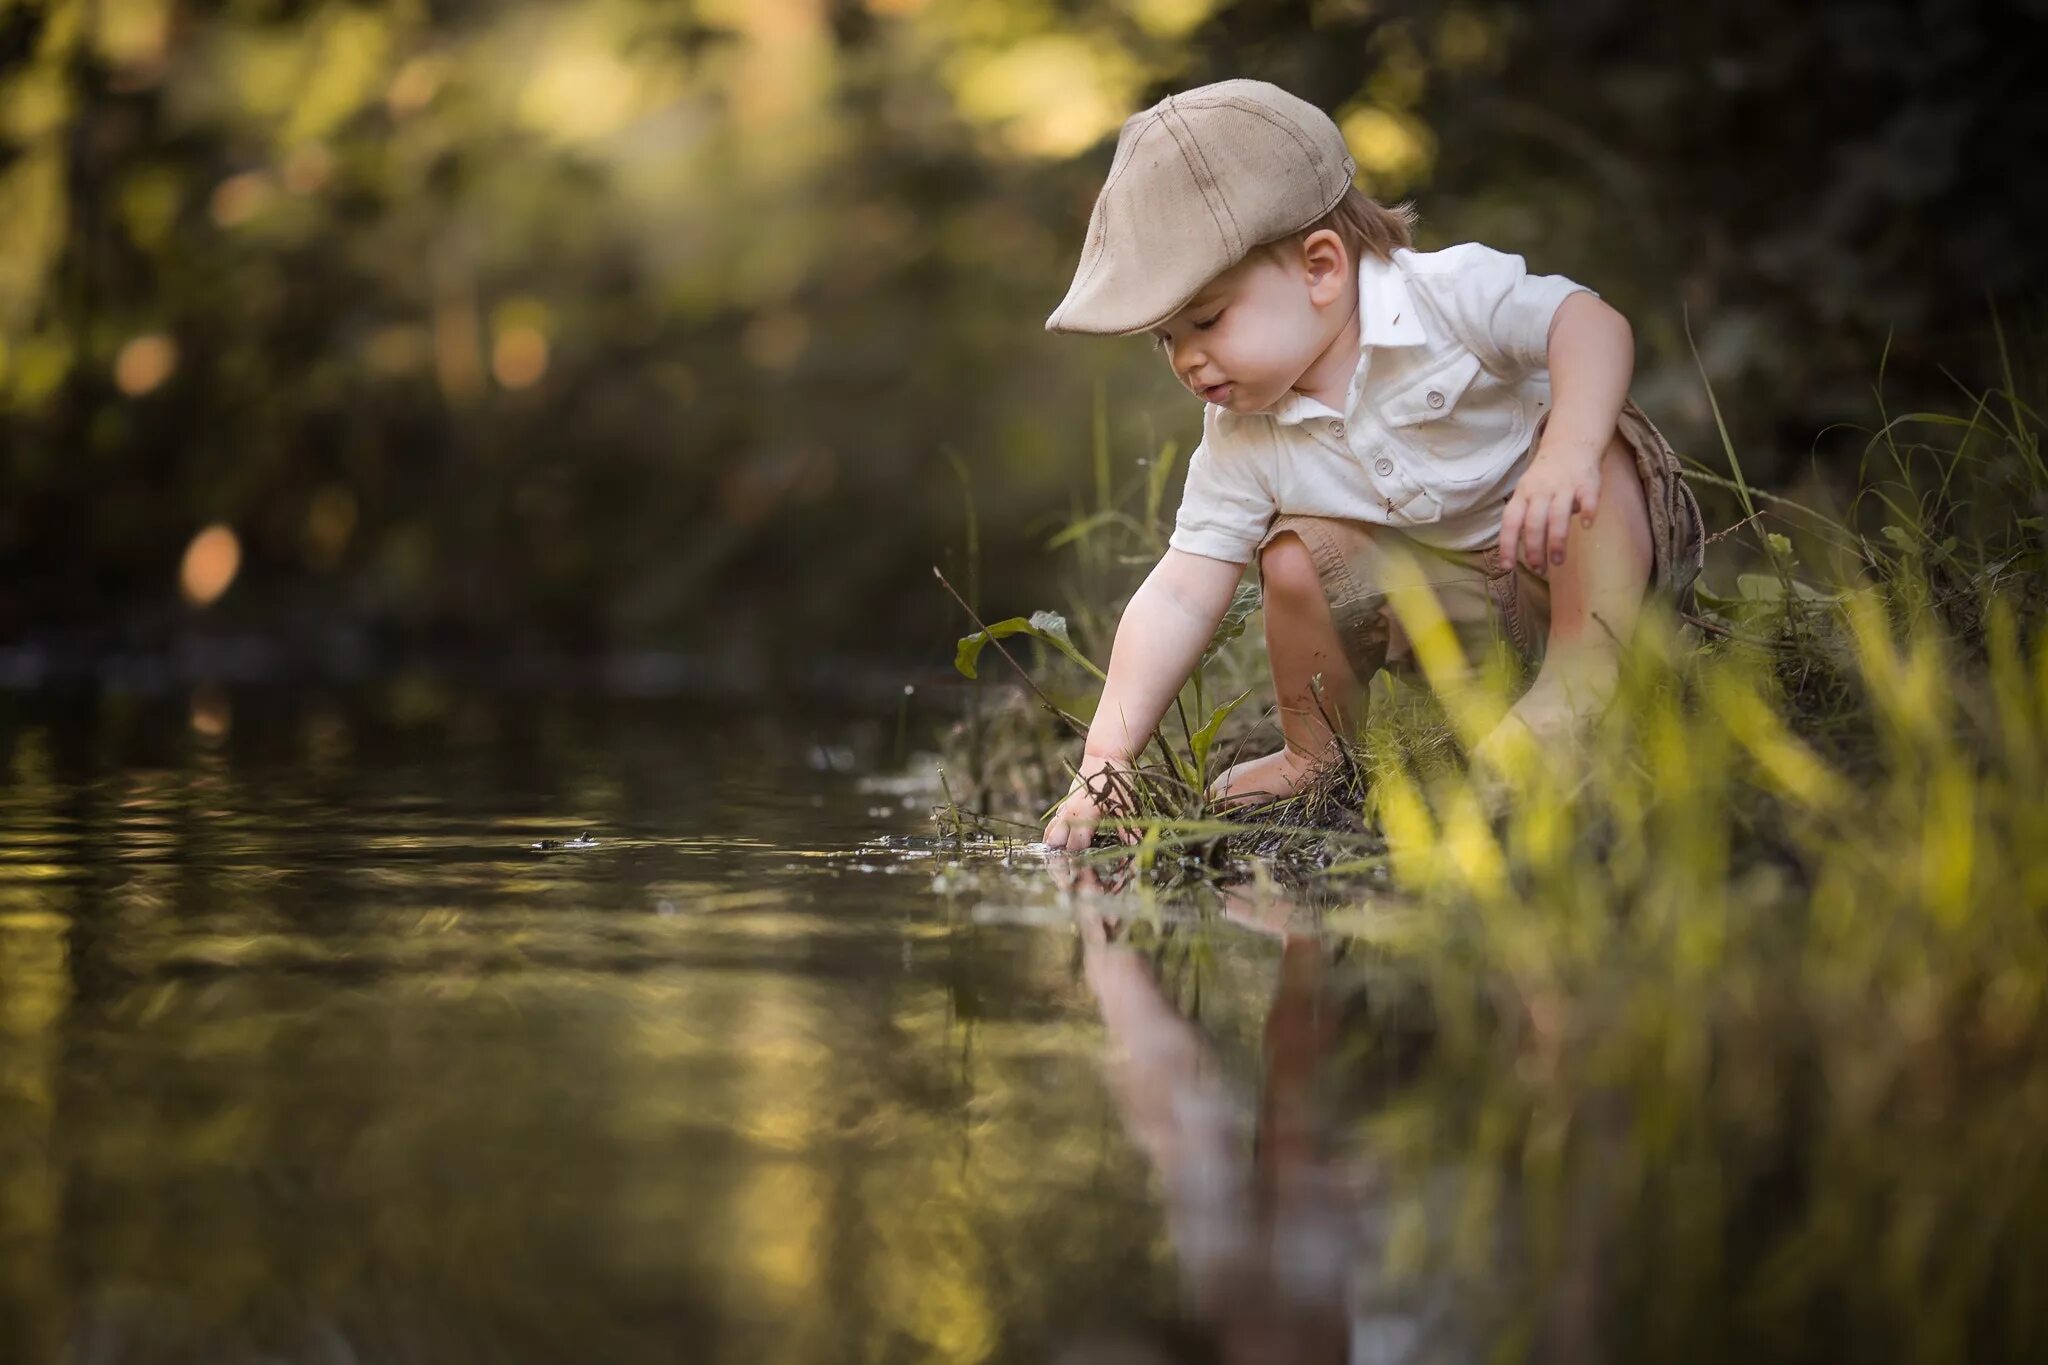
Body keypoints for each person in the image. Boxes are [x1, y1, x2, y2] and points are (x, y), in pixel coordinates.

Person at [1039, 78, 1704, 853]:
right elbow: (1183, 592)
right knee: (1293, 554)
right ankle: (1314, 755)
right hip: (1453, 621)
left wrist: (1567, 452)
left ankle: (1581, 677)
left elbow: (1591, 323)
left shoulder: (1447, 296)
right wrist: (1105, 760)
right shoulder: (1241, 433)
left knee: (1600, 437)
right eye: (1166, 339)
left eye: (1208, 319)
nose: (1187, 358)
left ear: (1321, 268)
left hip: (1577, 561)